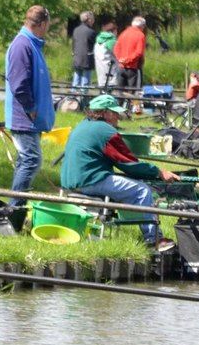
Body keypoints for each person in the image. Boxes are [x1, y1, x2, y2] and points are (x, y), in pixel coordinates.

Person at [60, 94, 177, 250]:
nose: (118, 117)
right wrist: (158, 172)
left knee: (128, 183)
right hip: (90, 180)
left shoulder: (82, 125)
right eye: (115, 113)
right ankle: (154, 239)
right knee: (142, 190)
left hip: (69, 180)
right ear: (104, 113)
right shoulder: (106, 131)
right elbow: (127, 163)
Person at [5, 5, 54, 204]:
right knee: (31, 160)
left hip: (31, 118)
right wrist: (31, 109)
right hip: (24, 118)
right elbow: (18, 83)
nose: (48, 29)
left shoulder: (32, 44)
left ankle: (17, 208)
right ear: (41, 24)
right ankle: (13, 209)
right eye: (48, 25)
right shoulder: (22, 45)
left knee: (25, 161)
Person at [114, 16, 148, 91]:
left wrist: (120, 59)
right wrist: (128, 60)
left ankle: (120, 102)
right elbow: (139, 52)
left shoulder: (123, 33)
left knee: (121, 93)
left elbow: (116, 48)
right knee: (134, 94)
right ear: (142, 26)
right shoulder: (140, 35)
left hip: (121, 67)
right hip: (133, 68)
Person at [70, 11, 95, 90]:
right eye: (92, 19)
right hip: (87, 59)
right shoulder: (91, 32)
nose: (93, 21)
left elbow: (73, 44)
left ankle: (72, 99)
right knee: (85, 82)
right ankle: (83, 100)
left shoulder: (76, 30)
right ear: (89, 20)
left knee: (76, 81)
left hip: (77, 58)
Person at [94, 20, 118, 88]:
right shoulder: (111, 40)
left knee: (103, 88)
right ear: (113, 31)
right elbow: (118, 54)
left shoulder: (98, 39)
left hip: (100, 67)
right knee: (110, 88)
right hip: (110, 69)